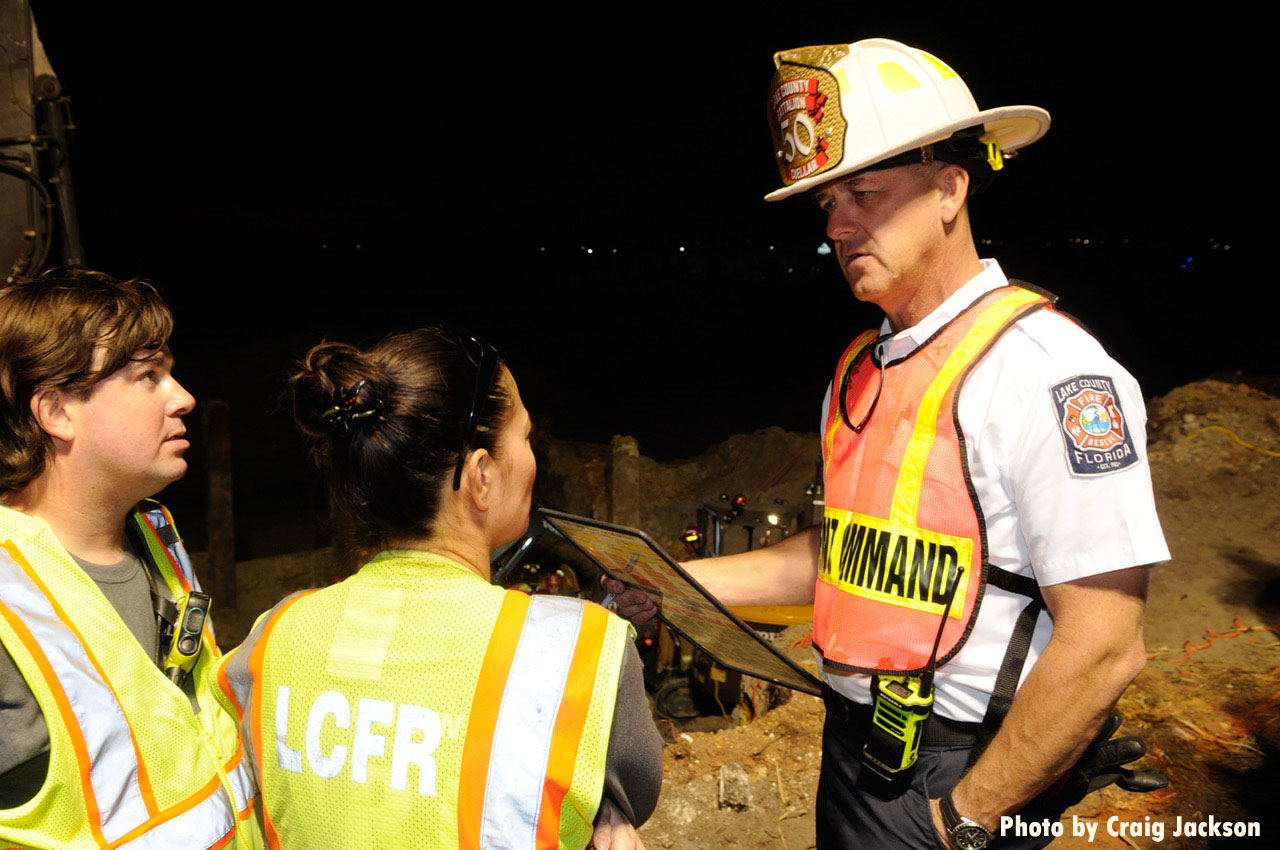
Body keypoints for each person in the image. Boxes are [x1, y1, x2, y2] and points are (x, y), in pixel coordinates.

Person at [611, 38, 1168, 849]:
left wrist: (963, 821)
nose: (836, 226)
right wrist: (674, 582)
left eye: (864, 194)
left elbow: (1106, 645)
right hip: (854, 753)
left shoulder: (1050, 376)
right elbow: (848, 555)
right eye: (826, 205)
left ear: (949, 189)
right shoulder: (861, 370)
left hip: (965, 769)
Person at [212, 329, 662, 850]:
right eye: (525, 436)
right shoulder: (587, 651)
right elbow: (626, 787)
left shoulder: (272, 638)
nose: (533, 459)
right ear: (480, 476)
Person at [0, 268, 262, 848]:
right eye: (149, 376)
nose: (184, 397)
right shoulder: (8, 598)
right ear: (57, 412)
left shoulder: (155, 535)